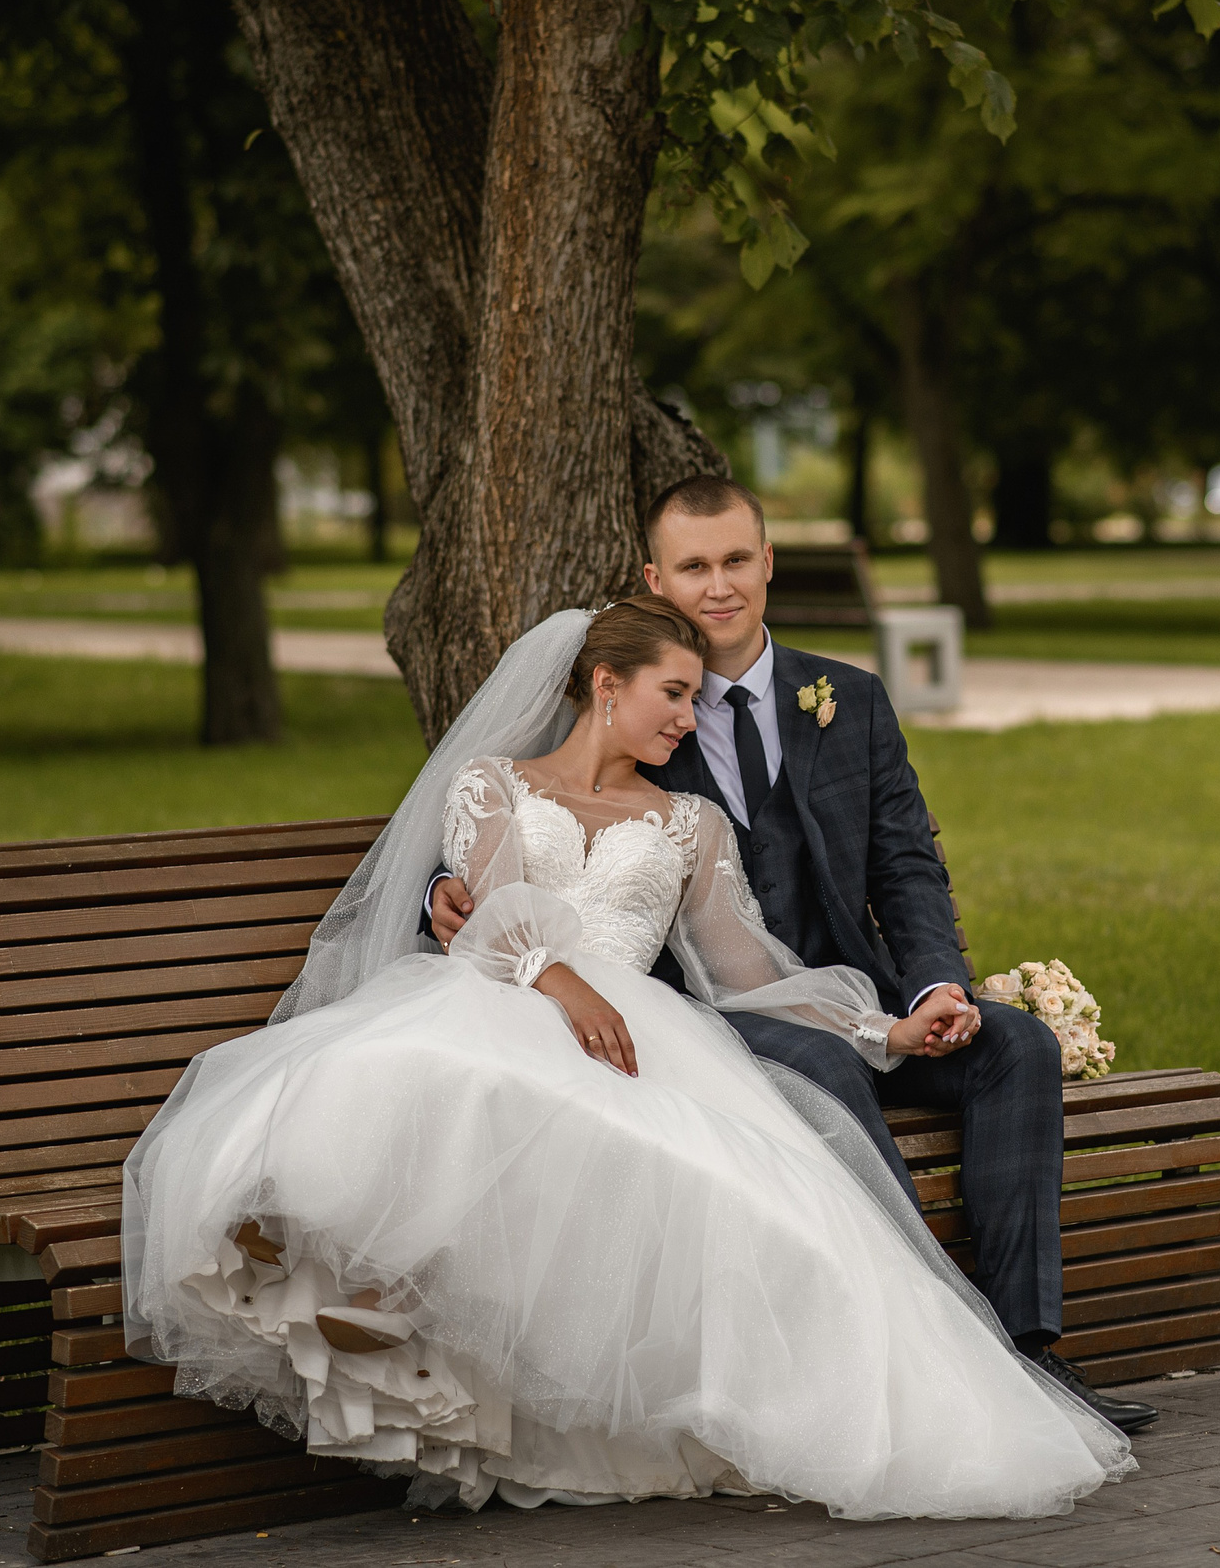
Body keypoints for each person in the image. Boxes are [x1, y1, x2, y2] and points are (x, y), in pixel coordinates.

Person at [121, 596, 1135, 1520]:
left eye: (694, 698)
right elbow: (488, 919)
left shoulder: (689, 823)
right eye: (674, 693)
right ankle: (370, 1309)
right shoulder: (491, 785)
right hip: (497, 1003)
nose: (690, 718)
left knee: (727, 1187)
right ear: (606, 684)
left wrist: (883, 1032)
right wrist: (564, 985)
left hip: (637, 1032)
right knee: (433, 1083)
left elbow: (748, 976)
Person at [430, 477, 1160, 1436]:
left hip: (850, 997)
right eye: (695, 566)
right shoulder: (639, 688)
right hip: (706, 1016)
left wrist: (934, 989)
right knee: (821, 1066)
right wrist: (438, 892)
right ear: (656, 580)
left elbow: (906, 865)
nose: (720, 585)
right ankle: (934, 1345)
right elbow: (519, 812)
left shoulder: (849, 698)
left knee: (1016, 1047)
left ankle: (1030, 1350)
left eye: (737, 559)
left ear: (768, 562)